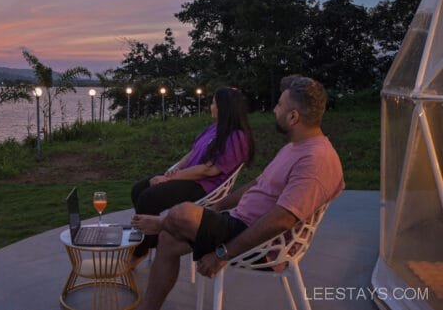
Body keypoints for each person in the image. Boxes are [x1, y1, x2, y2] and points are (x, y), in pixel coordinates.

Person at [132, 76, 344, 310]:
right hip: (237, 222)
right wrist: (218, 206)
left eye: (280, 105)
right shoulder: (294, 148)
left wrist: (223, 254)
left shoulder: (316, 160)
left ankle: (161, 223)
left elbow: (282, 220)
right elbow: (257, 184)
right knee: (168, 240)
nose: (274, 109)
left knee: (182, 213)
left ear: (293, 117)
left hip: (262, 244)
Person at [130, 87, 255, 268]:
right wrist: (171, 172)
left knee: (149, 197)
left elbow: (209, 171)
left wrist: (171, 179)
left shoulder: (237, 137)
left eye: (213, 103)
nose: (211, 106)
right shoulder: (214, 128)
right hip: (188, 177)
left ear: (224, 107)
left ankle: (140, 251)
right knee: (139, 188)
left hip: (205, 186)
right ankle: (151, 240)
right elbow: (191, 154)